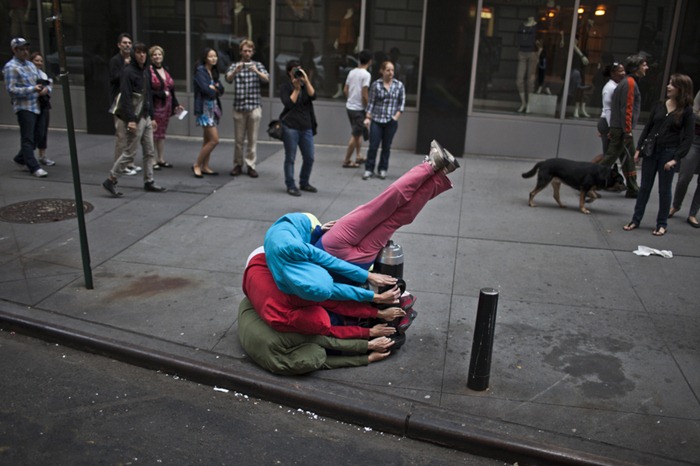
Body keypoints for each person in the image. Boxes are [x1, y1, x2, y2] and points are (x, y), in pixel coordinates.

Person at [317, 140, 459, 269]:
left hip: (355, 265)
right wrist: (317, 231)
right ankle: (431, 165)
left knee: (395, 220)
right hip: (329, 247)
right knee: (381, 206)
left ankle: (440, 174)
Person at [243, 246, 405, 340]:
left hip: (263, 257)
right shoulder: (282, 318)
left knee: (327, 280)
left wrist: (377, 309)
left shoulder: (296, 295)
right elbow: (329, 328)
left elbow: (334, 298)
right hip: (258, 269)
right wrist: (370, 329)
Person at [237, 297, 394, 376]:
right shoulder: (284, 364)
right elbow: (324, 362)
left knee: (319, 319)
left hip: (250, 304)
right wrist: (367, 358)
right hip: (250, 318)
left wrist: (369, 342)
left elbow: (326, 340)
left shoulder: (281, 343)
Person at [623, 73, 695, 236]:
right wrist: (638, 149)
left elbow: (688, 138)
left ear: (681, 89)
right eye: (669, 83)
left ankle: (662, 224)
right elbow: (648, 128)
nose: (668, 87)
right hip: (651, 151)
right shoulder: (659, 105)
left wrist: (676, 159)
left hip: (668, 153)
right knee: (644, 188)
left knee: (664, 189)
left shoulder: (686, 111)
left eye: (673, 84)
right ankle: (635, 219)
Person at [102, 42, 167, 197]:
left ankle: (149, 181)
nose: (142, 55)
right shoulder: (128, 72)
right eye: (138, 52)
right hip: (135, 118)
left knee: (149, 151)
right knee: (130, 152)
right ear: (133, 54)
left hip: (145, 116)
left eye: (144, 52)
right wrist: (130, 119)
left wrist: (152, 116)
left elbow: (148, 95)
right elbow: (125, 96)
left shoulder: (145, 71)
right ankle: (111, 179)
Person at [598, 54, 649, 199]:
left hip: (619, 128)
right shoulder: (630, 83)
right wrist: (627, 131)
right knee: (609, 159)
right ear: (636, 67)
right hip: (621, 129)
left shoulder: (627, 82)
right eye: (644, 65)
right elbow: (626, 109)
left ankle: (633, 188)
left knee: (628, 157)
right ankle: (586, 181)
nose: (647, 67)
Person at [3, 37, 48, 177]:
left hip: (38, 104)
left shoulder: (30, 65)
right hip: (24, 106)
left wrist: (45, 89)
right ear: (14, 50)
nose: (25, 52)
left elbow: (41, 79)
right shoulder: (11, 67)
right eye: (21, 49)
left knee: (39, 134)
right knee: (27, 137)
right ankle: (33, 166)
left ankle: (20, 158)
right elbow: (11, 90)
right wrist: (32, 89)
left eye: (26, 49)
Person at [224, 39, 269, 178]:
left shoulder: (258, 65)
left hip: (254, 107)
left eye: (249, 51)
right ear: (240, 52)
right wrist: (235, 72)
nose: (247, 53)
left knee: (252, 139)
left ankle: (251, 165)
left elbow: (267, 79)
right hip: (239, 107)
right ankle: (238, 164)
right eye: (245, 51)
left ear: (253, 52)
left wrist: (256, 71)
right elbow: (228, 79)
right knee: (238, 140)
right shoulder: (235, 65)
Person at [279, 59, 317, 196]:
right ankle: (290, 185)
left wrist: (306, 81)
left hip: (306, 126)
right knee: (290, 157)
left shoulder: (305, 84)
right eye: (295, 70)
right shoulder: (285, 87)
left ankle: (304, 182)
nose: (297, 73)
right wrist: (296, 89)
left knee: (309, 157)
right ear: (289, 72)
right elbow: (288, 104)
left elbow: (314, 96)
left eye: (299, 69)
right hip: (291, 127)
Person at [362, 60, 405, 180]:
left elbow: (401, 104)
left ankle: (382, 169)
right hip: (377, 119)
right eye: (388, 70)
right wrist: (367, 118)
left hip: (391, 121)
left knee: (386, 147)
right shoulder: (376, 85)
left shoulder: (399, 85)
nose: (391, 72)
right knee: (373, 146)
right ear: (382, 71)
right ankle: (369, 169)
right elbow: (371, 103)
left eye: (392, 70)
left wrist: (395, 118)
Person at [109, 33, 141, 176]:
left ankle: (129, 162)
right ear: (119, 45)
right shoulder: (115, 61)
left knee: (131, 134)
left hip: (131, 100)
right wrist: (125, 67)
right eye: (125, 43)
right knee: (121, 135)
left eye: (129, 43)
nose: (128, 45)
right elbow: (114, 78)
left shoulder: (133, 60)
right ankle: (119, 165)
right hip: (119, 102)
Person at [149, 45, 183, 170]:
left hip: (166, 107)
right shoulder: (149, 71)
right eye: (154, 54)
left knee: (162, 134)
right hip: (156, 107)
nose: (157, 56)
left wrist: (176, 104)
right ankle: (152, 160)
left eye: (159, 54)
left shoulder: (165, 69)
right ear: (151, 57)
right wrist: (161, 94)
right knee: (153, 133)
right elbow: (148, 92)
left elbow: (171, 90)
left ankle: (161, 158)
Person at [669, 89, 700, 229]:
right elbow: (694, 113)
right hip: (696, 139)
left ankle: (693, 213)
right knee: (684, 176)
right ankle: (676, 205)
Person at [192, 47, 225, 178]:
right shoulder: (201, 71)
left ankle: (205, 166)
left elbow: (221, 90)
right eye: (211, 56)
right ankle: (197, 164)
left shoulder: (213, 72)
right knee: (214, 140)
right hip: (204, 110)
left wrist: (215, 88)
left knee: (207, 140)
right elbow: (207, 91)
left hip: (213, 109)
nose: (214, 58)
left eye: (215, 56)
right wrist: (214, 88)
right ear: (205, 58)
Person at [341, 49, 371, 168]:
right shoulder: (366, 75)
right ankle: (347, 160)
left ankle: (358, 155)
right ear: (370, 61)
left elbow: (345, 90)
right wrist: (367, 107)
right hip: (359, 109)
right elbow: (365, 94)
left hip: (350, 107)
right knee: (355, 134)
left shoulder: (352, 72)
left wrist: (351, 99)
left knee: (357, 133)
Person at [30, 51, 55, 167]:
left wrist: (46, 90)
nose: (39, 63)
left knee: (43, 131)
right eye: (36, 60)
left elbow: (49, 87)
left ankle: (42, 156)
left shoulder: (44, 75)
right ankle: (26, 156)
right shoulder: (29, 74)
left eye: (40, 61)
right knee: (33, 132)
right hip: (32, 105)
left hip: (44, 104)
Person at [597, 62, 625, 155]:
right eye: (620, 71)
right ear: (613, 74)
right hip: (607, 122)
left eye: (623, 70)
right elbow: (608, 109)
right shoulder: (610, 88)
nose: (623, 73)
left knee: (609, 153)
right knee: (608, 153)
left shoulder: (616, 86)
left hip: (610, 123)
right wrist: (611, 127)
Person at [515, 17, 539, 113]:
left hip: (533, 53)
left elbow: (541, 40)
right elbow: (518, 38)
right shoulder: (522, 25)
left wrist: (539, 54)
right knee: (519, 80)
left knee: (530, 80)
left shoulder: (538, 26)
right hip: (522, 52)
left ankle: (529, 104)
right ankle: (523, 103)